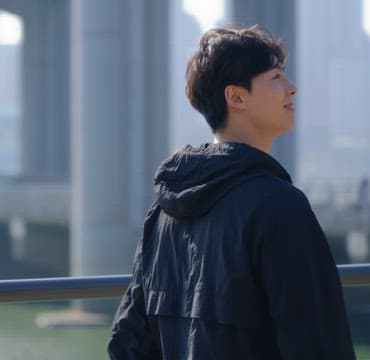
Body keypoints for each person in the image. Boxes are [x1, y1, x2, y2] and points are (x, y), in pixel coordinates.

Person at [108, 25, 355, 359]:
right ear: (236, 97)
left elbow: (129, 341)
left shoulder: (165, 210)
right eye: (276, 77)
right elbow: (318, 343)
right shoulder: (279, 206)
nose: (292, 88)